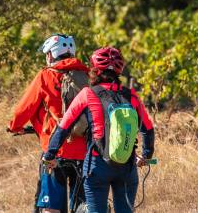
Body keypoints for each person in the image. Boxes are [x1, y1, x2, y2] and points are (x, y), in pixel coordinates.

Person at [43, 47, 155, 213]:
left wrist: (49, 155)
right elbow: (148, 129)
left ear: (94, 70)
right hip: (127, 165)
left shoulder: (87, 94)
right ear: (119, 71)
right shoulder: (131, 95)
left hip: (97, 165)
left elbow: (64, 126)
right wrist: (146, 156)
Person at [9, 34, 90, 213]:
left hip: (55, 151)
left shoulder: (46, 76)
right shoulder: (87, 76)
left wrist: (15, 126)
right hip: (84, 152)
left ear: (51, 55)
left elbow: (24, 109)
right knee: (83, 206)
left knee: (51, 207)